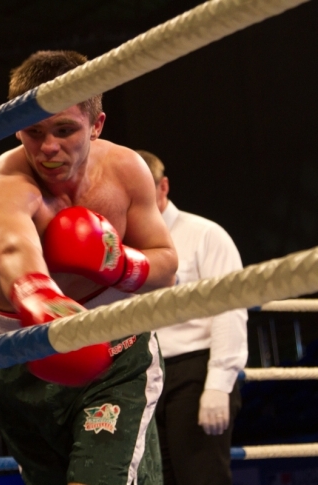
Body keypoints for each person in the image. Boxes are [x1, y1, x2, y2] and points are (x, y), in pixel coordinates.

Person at [0, 50, 178, 485]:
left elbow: (167, 264)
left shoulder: (125, 170)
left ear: (97, 125)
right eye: (33, 131)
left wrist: (117, 263)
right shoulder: (1, 186)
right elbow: (14, 254)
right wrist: (42, 301)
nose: (48, 148)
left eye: (65, 130)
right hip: (18, 358)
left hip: (117, 351)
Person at [139, 149, 248, 485]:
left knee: (202, 478)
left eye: (146, 188)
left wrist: (218, 384)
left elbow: (230, 309)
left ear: (163, 187)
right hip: (144, 376)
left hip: (195, 371)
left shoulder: (205, 234)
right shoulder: (122, 245)